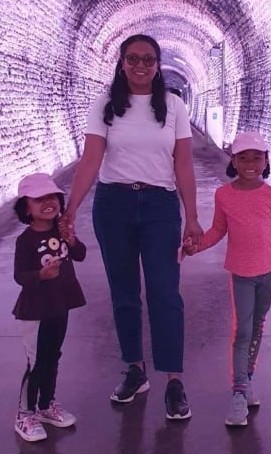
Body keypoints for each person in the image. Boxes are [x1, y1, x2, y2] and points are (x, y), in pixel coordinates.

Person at [59, 34, 202, 420]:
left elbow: (184, 165)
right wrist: (70, 207)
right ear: (122, 63)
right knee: (124, 293)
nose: (141, 66)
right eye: (134, 59)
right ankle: (134, 370)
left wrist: (192, 216)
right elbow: (91, 159)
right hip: (114, 204)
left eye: (149, 60)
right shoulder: (105, 106)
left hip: (159, 206)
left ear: (157, 65)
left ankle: (173, 380)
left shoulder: (173, 106)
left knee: (164, 293)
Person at [183, 131, 271, 427]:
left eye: (257, 158)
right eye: (244, 158)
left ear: (266, 161)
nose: (251, 164)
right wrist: (196, 246)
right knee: (241, 332)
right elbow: (218, 230)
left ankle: (248, 379)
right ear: (234, 161)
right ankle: (239, 393)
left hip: (268, 274)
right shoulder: (224, 195)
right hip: (242, 274)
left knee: (257, 327)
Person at [11, 172, 87, 442]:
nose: (49, 202)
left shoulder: (60, 230)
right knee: (37, 362)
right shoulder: (26, 240)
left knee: (53, 357)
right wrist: (40, 276)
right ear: (26, 208)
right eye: (39, 198)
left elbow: (80, 254)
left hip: (60, 305)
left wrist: (72, 239)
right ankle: (24, 414)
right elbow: (20, 276)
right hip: (36, 310)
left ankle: (46, 406)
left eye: (53, 197)